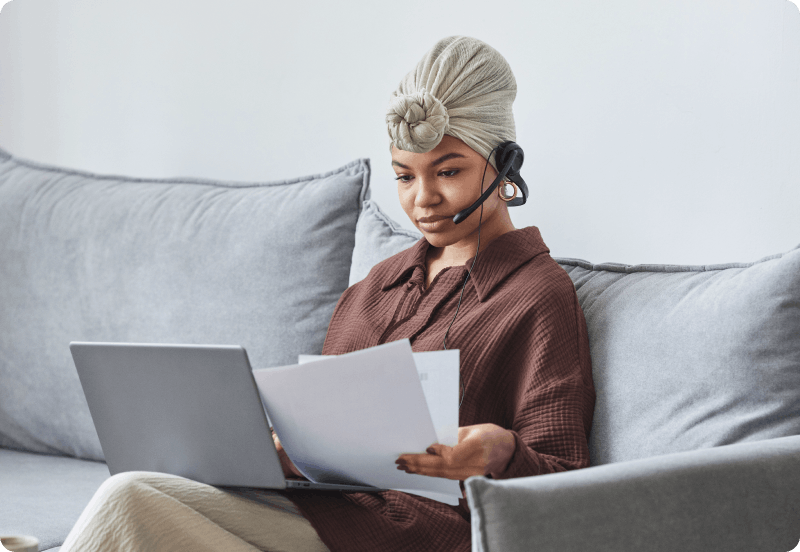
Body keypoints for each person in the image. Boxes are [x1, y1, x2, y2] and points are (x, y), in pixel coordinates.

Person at [61, 35, 595, 552]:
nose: (423, 199)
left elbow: (566, 482)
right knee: (140, 490)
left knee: (129, 500)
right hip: (317, 512)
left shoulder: (537, 296)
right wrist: (278, 452)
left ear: (505, 165)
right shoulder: (374, 288)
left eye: (448, 171)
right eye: (404, 176)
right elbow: (324, 442)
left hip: (410, 533)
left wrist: (502, 452)